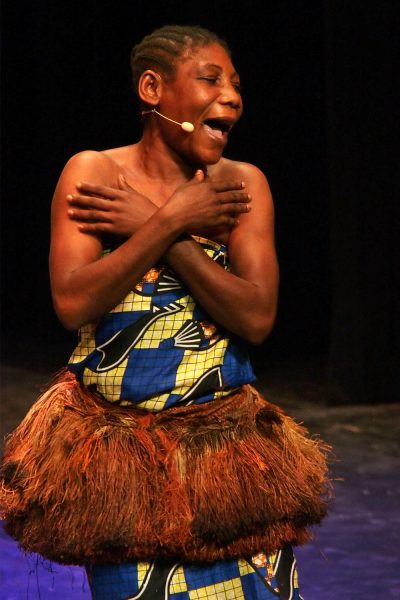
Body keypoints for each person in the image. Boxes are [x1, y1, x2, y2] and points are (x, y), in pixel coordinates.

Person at [0, 25, 330, 600]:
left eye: (235, 85)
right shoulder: (96, 175)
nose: (231, 96)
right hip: (126, 471)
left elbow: (255, 317)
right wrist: (173, 219)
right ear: (153, 88)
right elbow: (73, 301)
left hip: (230, 464)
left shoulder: (239, 185)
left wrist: (166, 228)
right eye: (210, 79)